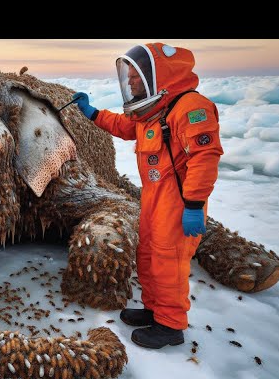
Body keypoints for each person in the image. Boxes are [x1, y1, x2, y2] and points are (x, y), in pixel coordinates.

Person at [72, 43, 224, 349]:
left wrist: (193, 204)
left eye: (135, 77)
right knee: (150, 256)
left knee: (169, 261)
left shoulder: (191, 108)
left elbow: (205, 157)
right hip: (154, 198)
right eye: (128, 76)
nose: (130, 82)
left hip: (178, 200)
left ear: (158, 76)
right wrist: (92, 114)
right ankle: (154, 309)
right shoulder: (154, 111)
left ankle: (170, 325)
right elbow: (124, 126)